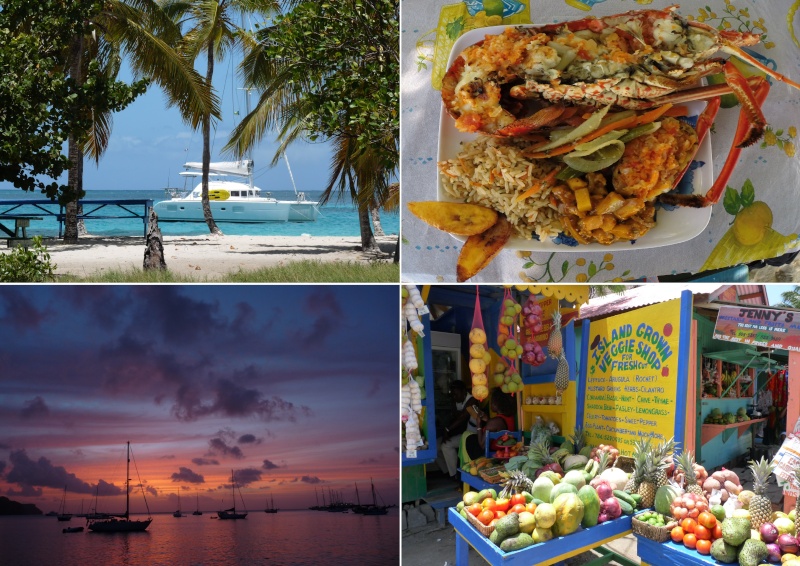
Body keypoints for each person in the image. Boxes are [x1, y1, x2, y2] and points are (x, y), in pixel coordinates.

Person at [435, 380, 481, 484]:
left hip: (472, 436)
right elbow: (454, 417)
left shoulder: (472, 400)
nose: (454, 397)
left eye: (456, 394)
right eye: (452, 394)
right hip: (463, 434)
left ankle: (455, 475)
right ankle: (447, 472)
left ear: (464, 391)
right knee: (436, 446)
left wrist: (447, 430)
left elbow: (462, 418)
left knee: (446, 446)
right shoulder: (457, 401)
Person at [465, 388, 516, 461]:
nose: (490, 404)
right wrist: (488, 420)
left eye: (491, 401)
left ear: (496, 404)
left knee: (470, 439)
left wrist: (478, 424)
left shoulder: (494, 422)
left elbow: (482, 445)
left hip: (494, 455)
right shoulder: (509, 417)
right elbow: (499, 428)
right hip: (505, 451)